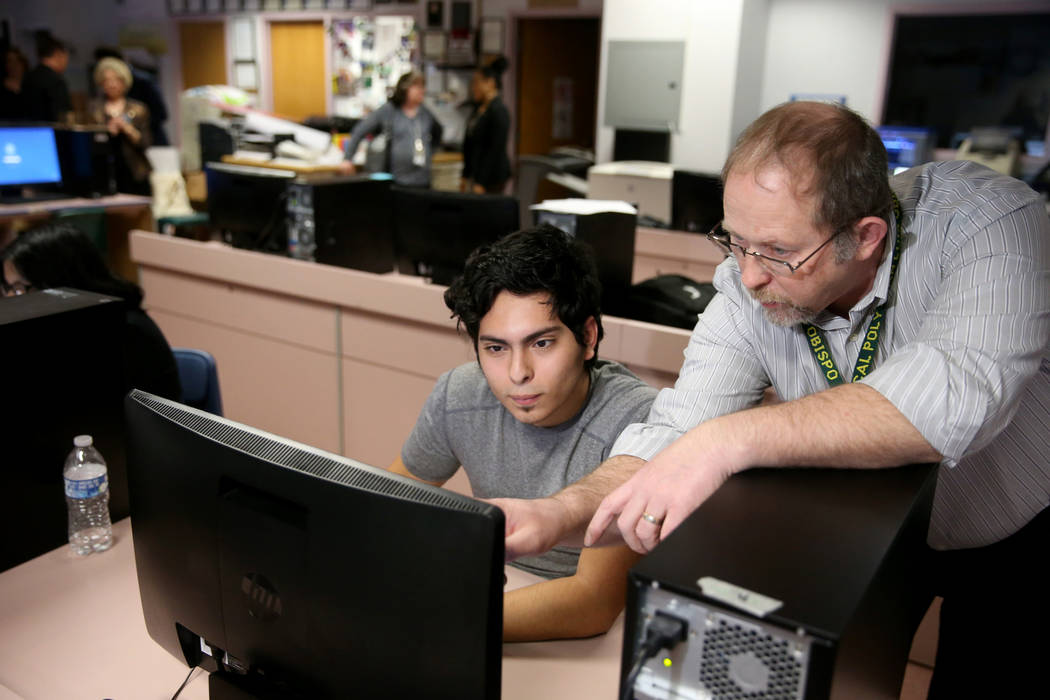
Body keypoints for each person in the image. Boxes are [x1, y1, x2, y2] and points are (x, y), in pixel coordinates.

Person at [491, 102, 1050, 696]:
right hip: (869, 523)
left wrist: (729, 439)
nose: (749, 275)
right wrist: (561, 513)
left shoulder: (989, 221)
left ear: (865, 237)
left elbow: (952, 395)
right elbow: (677, 429)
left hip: (1017, 523)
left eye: (777, 252)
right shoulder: (747, 284)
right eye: (734, 241)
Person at [389, 224, 657, 642]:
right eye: (495, 348)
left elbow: (594, 603)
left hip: (596, 635)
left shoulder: (638, 422)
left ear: (587, 338)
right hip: (501, 596)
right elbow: (390, 503)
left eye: (542, 343)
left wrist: (440, 622)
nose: (518, 374)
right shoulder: (459, 393)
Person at [1, 223, 181, 402]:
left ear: (57, 283)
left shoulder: (127, 331)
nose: (11, 299)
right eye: (7, 288)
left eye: (18, 289)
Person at [339, 71, 443, 187]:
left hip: (423, 180)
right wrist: (347, 158)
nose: (421, 90)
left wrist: (430, 151)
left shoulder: (425, 113)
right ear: (405, 88)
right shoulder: (389, 111)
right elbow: (359, 131)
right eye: (417, 87)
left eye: (422, 87)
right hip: (395, 180)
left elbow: (438, 132)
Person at [86, 57, 152, 196]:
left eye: (116, 80)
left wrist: (128, 129)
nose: (112, 84)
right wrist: (106, 131)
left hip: (134, 171)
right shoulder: (94, 108)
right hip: (105, 169)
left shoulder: (138, 109)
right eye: (107, 80)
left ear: (124, 82)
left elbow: (146, 142)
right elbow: (88, 141)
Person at [92, 47, 170, 146]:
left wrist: (133, 125)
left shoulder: (143, 81)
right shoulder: (96, 105)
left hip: (150, 143)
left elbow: (161, 113)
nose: (112, 84)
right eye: (107, 80)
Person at [461, 55, 511, 194]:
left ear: (490, 83)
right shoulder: (479, 108)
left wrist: (481, 181)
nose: (474, 87)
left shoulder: (499, 111)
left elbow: (495, 149)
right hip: (475, 174)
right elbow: (469, 144)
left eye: (477, 83)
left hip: (491, 178)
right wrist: (465, 174)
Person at [21, 32, 73, 124]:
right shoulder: (55, 81)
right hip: (50, 133)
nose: (66, 62)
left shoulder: (28, 76)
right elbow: (61, 115)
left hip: (28, 131)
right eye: (66, 56)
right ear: (58, 54)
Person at [0, 46, 29, 120]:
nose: (13, 65)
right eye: (9, 61)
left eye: (16, 61)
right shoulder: (3, 88)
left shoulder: (31, 84)